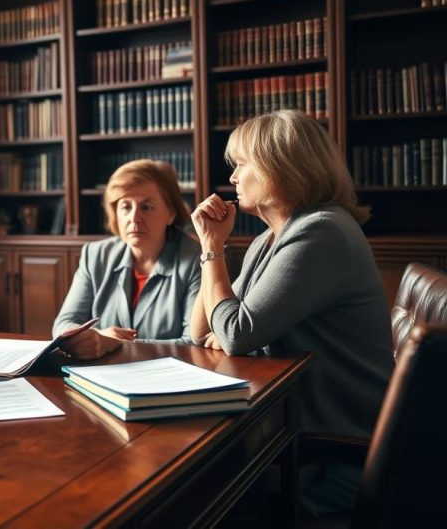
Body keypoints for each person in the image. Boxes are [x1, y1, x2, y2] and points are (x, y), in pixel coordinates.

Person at [190, 109, 393, 513]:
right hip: (291, 431)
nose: (231, 178)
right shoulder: (270, 238)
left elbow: (233, 333)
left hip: (334, 456)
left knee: (198, 496)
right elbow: (201, 332)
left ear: (279, 167)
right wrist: (209, 248)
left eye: (242, 164)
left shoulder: (322, 232)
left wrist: (213, 250)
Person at [53, 159, 201, 358]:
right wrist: (96, 337)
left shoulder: (197, 260)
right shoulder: (96, 255)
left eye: (146, 207)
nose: (134, 218)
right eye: (125, 207)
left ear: (171, 213)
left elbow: (194, 342)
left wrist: (115, 344)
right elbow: (64, 324)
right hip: (103, 375)